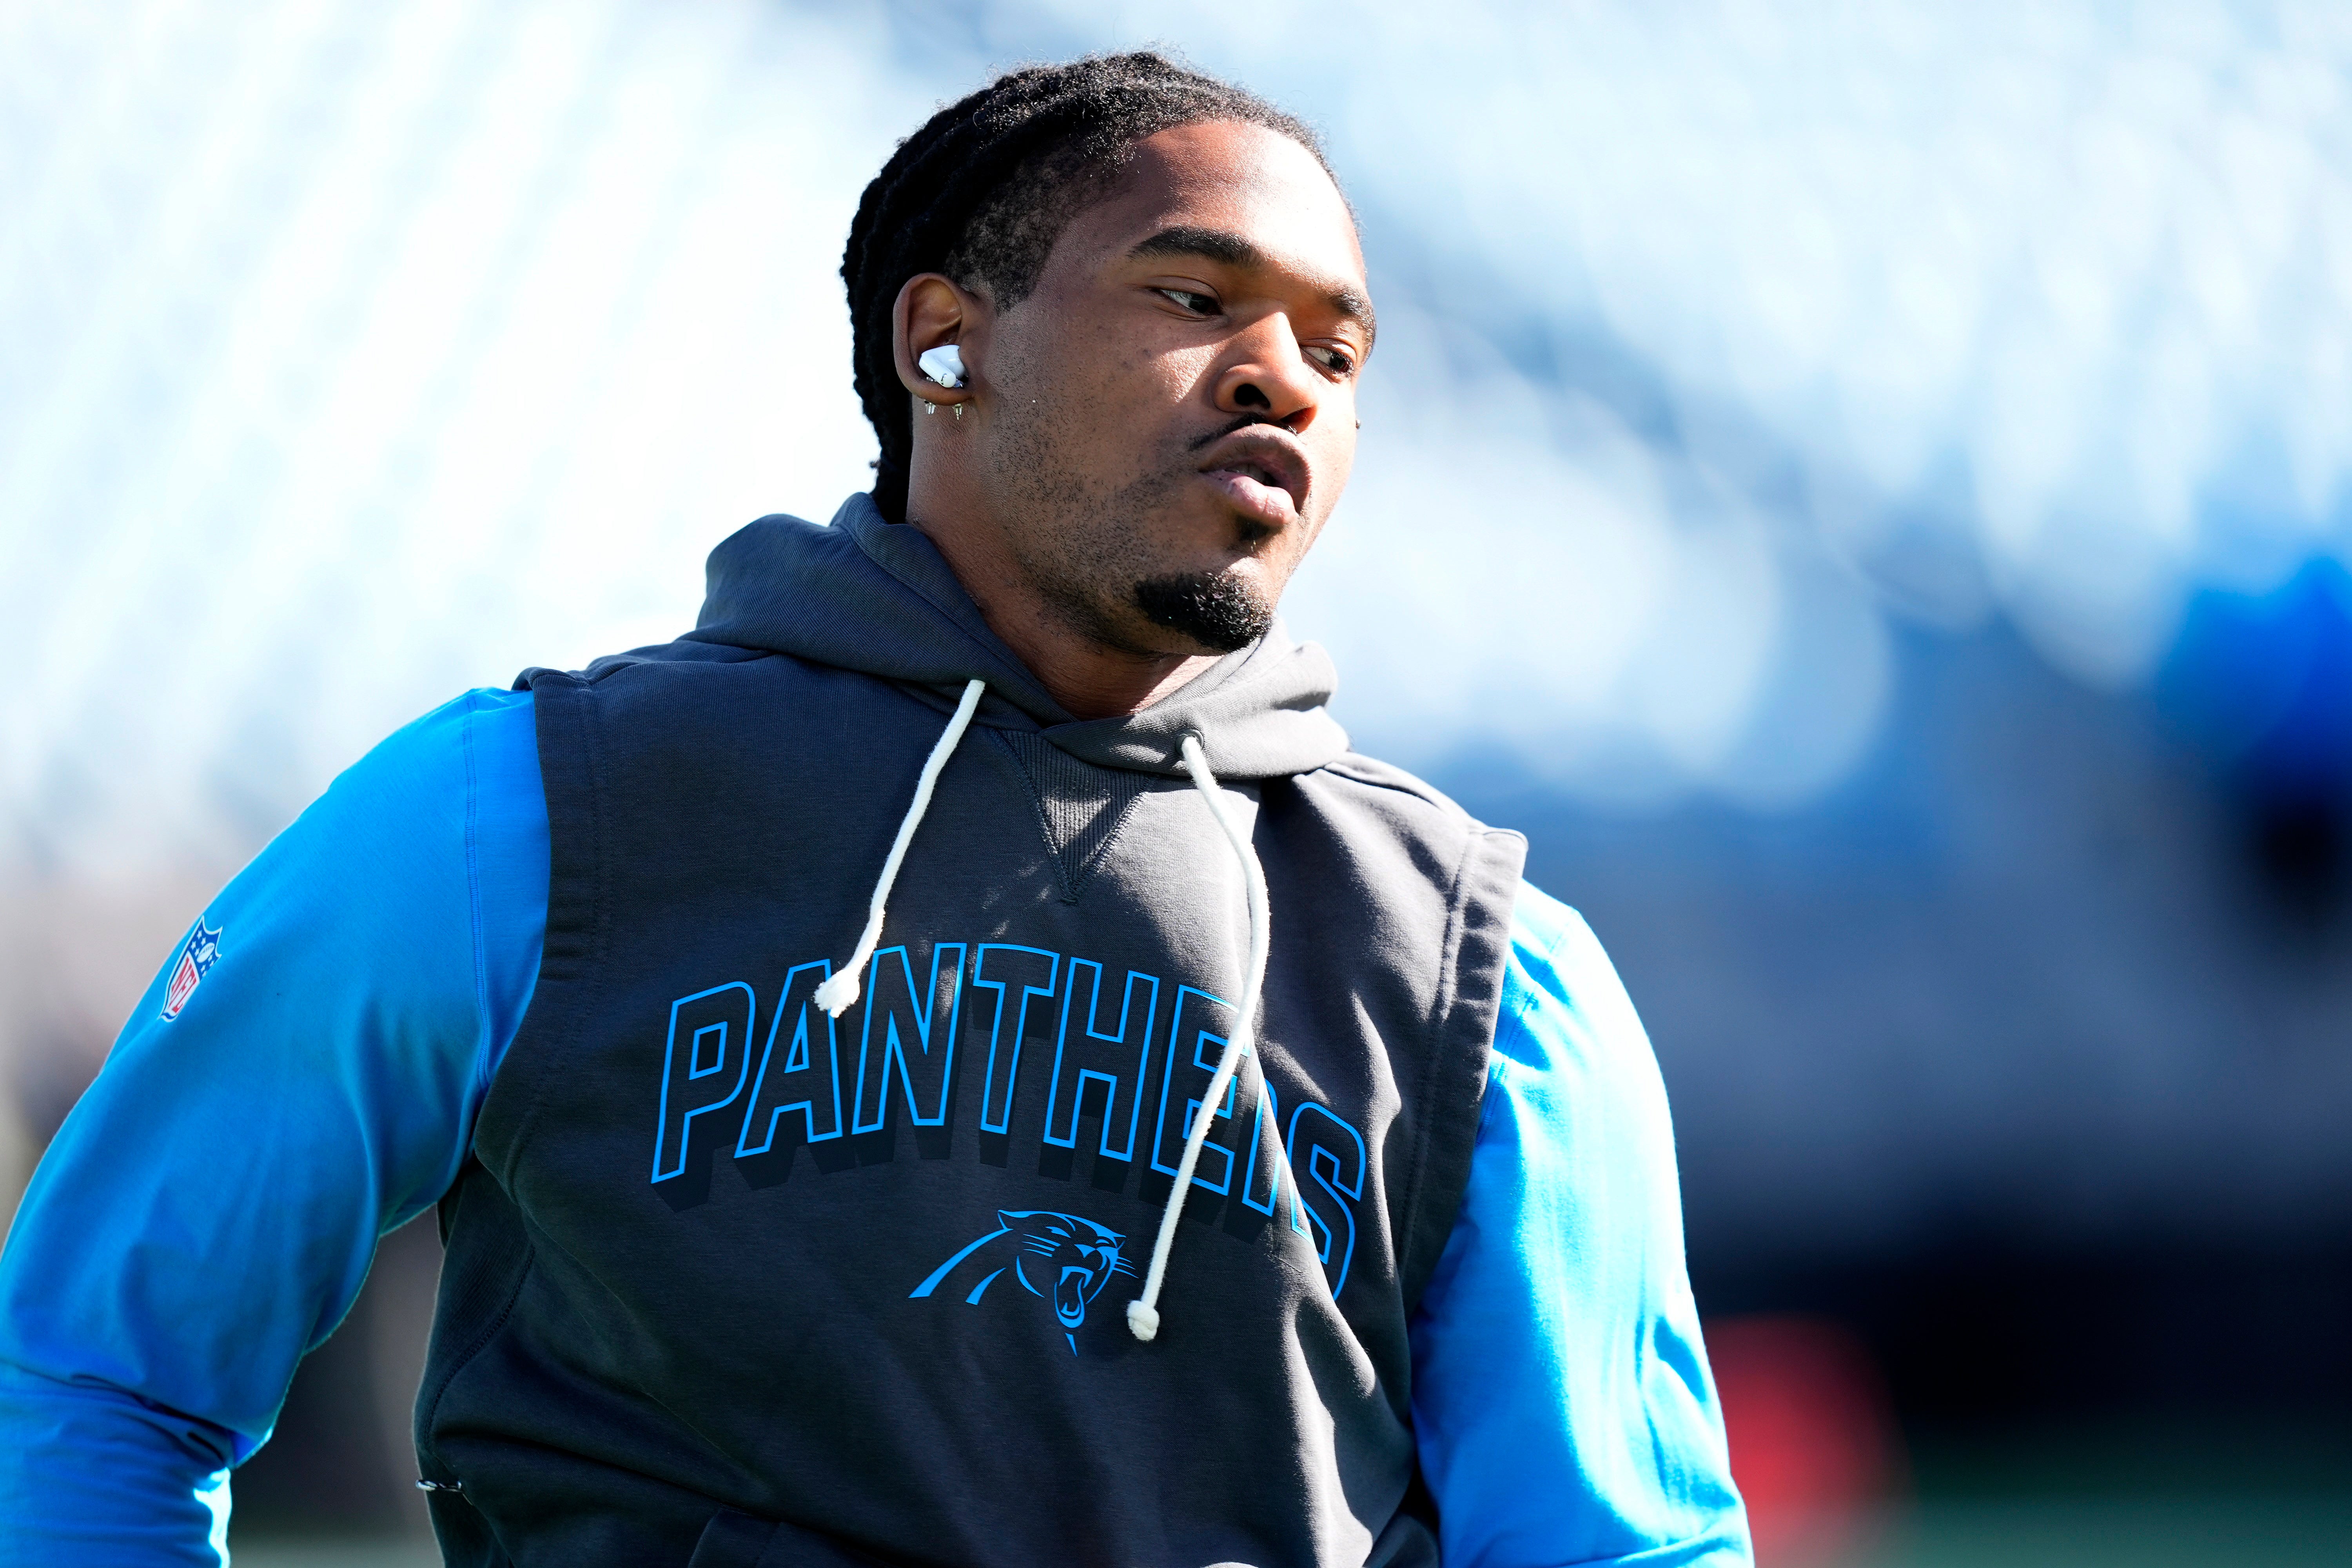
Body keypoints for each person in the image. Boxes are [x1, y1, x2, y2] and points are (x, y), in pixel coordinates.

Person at [0, 53, 1749, 1568]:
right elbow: (94, 1374)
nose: (1282, 373)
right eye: (1196, 296)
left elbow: (1619, 1539)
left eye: (1337, 347)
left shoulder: (1489, 969)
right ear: (944, 343)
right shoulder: (526, 813)